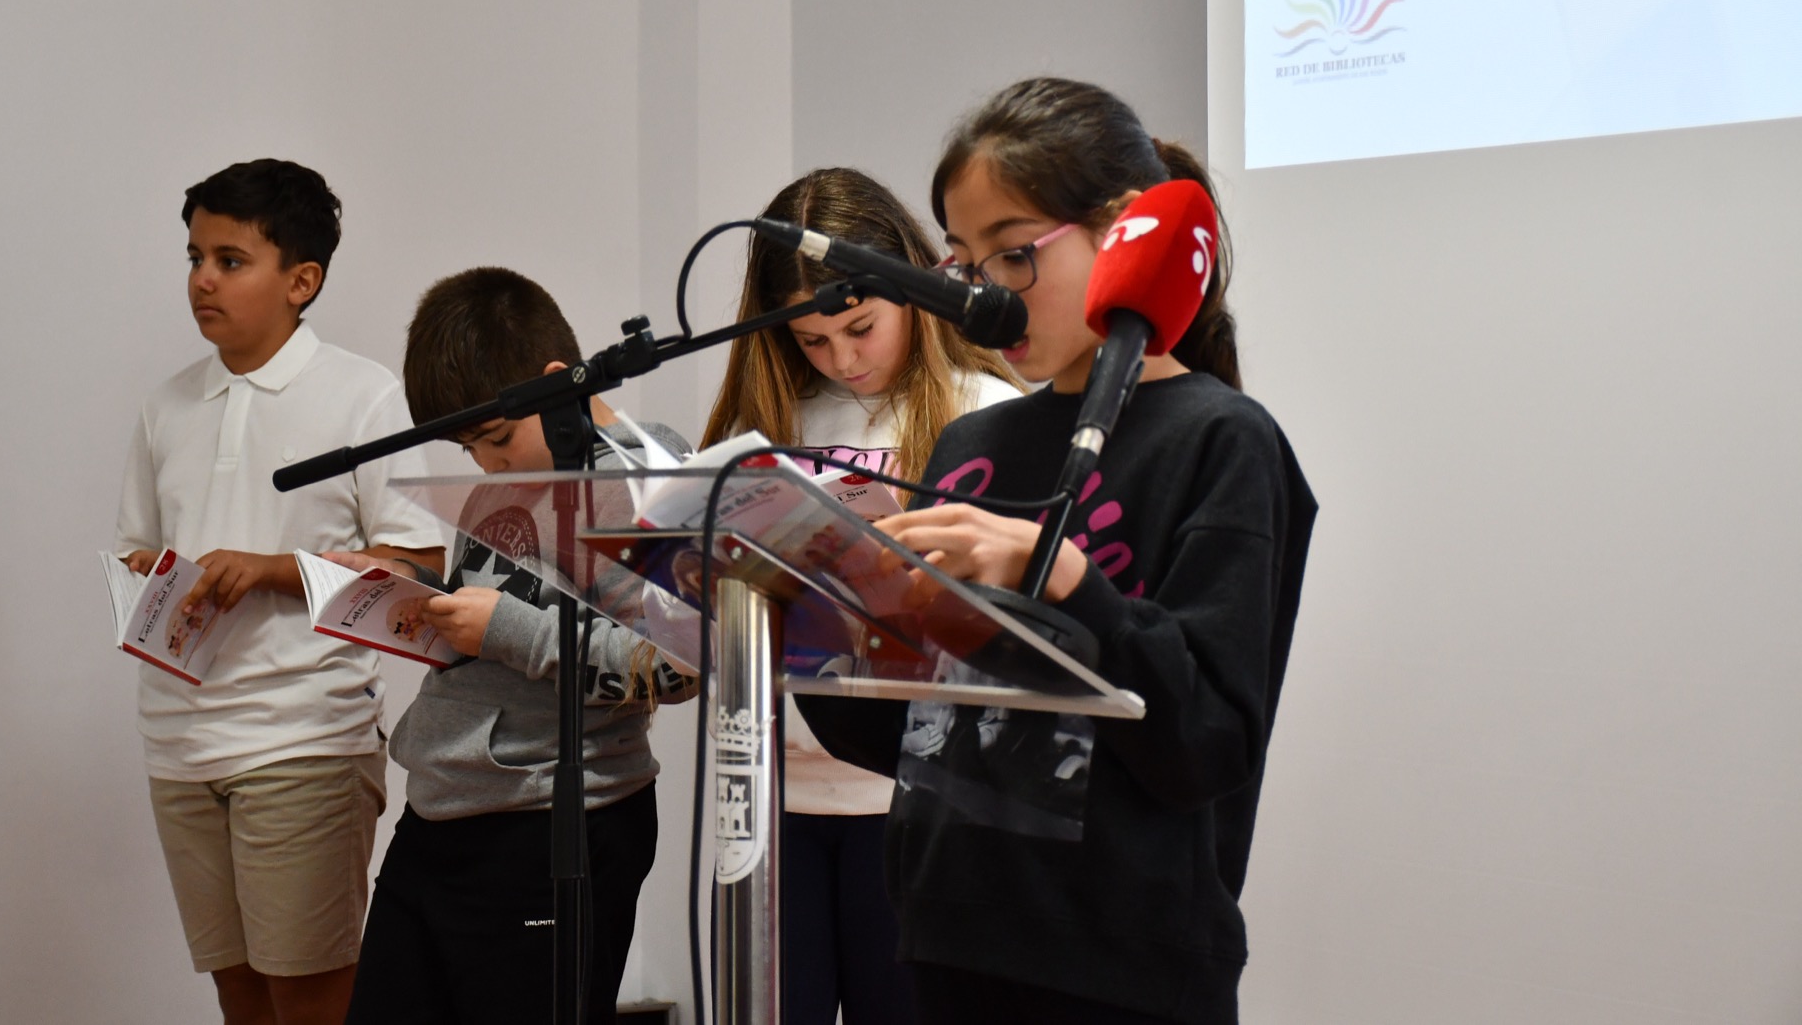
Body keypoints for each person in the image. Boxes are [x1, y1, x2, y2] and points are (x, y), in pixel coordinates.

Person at [798, 78, 1316, 1025]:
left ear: (1129, 230)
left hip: (1118, 963)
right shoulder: (972, 445)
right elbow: (912, 729)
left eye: (1014, 253)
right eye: (966, 263)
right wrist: (807, 616)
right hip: (949, 938)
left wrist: (1066, 575)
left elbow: (1207, 739)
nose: (984, 296)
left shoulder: (1223, 440)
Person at [113, 159, 445, 1025]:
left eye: (230, 260)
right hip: (178, 742)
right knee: (239, 991)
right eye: (194, 257)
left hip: (304, 737)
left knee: (310, 996)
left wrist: (274, 569)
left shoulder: (362, 394)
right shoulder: (167, 405)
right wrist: (155, 576)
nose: (202, 280)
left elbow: (418, 567)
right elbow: (137, 547)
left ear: (302, 280)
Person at [339, 266, 698, 1025]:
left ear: (554, 379)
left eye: (497, 438)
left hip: (554, 818)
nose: (488, 463)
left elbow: (676, 665)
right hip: (442, 805)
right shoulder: (499, 483)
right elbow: (491, 623)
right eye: (470, 447)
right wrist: (405, 596)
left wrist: (505, 629)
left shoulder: (645, 473)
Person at [703, 167, 1021, 1025]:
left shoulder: (989, 412)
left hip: (917, 801)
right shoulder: (766, 424)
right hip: (771, 795)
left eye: (860, 327)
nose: (843, 359)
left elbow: (1019, 625)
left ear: (914, 287)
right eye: (811, 340)